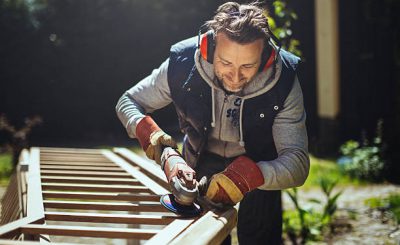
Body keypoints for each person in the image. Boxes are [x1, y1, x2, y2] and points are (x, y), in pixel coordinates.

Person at [116, 2, 309, 244]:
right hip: (198, 161)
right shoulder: (183, 63)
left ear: (267, 58)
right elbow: (128, 101)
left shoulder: (283, 81)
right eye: (226, 63)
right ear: (209, 48)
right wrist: (163, 149)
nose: (236, 77)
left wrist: (247, 177)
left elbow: (298, 164)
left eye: (248, 65)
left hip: (259, 168)